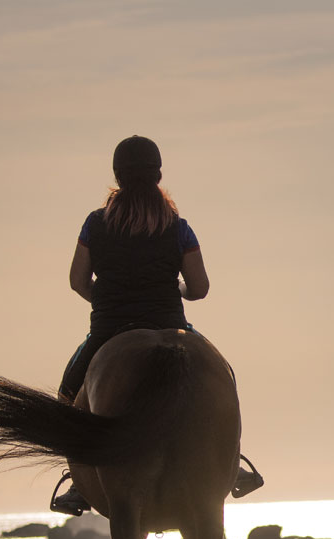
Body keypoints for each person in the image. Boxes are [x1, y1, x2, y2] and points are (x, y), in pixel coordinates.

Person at [51, 135, 263, 515]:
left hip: (108, 330)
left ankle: (80, 484)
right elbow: (199, 289)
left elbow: (78, 281)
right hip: (171, 324)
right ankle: (232, 466)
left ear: (117, 175)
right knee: (223, 377)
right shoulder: (178, 227)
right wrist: (175, 287)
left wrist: (105, 301)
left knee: (69, 391)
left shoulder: (95, 224)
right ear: (158, 174)